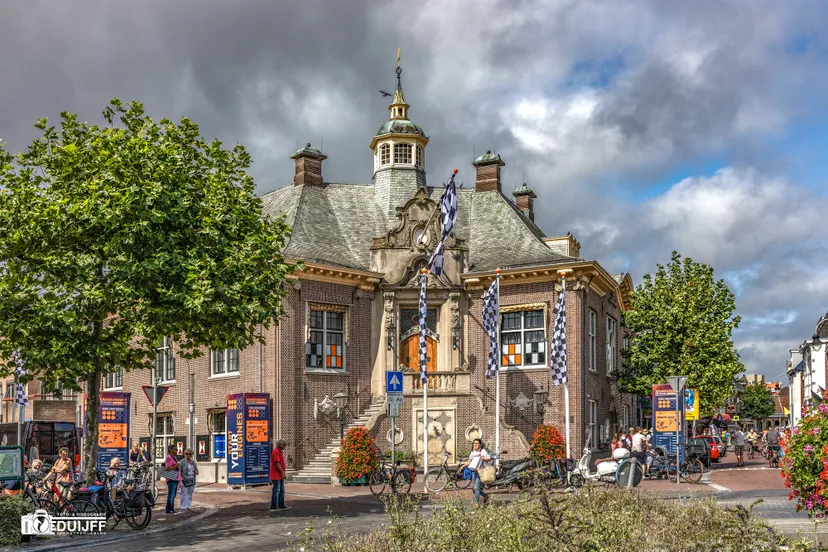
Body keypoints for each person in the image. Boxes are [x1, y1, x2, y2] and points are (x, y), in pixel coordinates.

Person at [457, 438, 491, 505]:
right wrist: (463, 466)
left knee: (476, 488)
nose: (475, 445)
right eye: (474, 443)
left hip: (480, 471)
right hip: (473, 472)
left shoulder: (483, 451)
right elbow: (469, 462)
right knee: (474, 489)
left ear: (480, 445)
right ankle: (485, 496)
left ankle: (476, 504)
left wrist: (482, 457)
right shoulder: (472, 453)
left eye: (476, 443)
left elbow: (489, 458)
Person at [269, 439, 289, 511]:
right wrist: (283, 472)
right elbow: (277, 463)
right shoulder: (276, 451)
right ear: (280, 445)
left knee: (281, 491)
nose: (285, 447)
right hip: (276, 475)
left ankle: (281, 504)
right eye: (284, 445)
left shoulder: (280, 452)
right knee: (276, 491)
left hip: (279, 475)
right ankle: (274, 506)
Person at [163, 444, 180, 515]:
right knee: (171, 495)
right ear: (171, 450)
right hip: (171, 479)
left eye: (177, 449)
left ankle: (171, 509)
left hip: (175, 478)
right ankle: (169, 510)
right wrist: (175, 466)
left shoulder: (174, 457)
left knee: (173, 495)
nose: (177, 450)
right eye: (175, 449)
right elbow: (166, 468)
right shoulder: (169, 458)